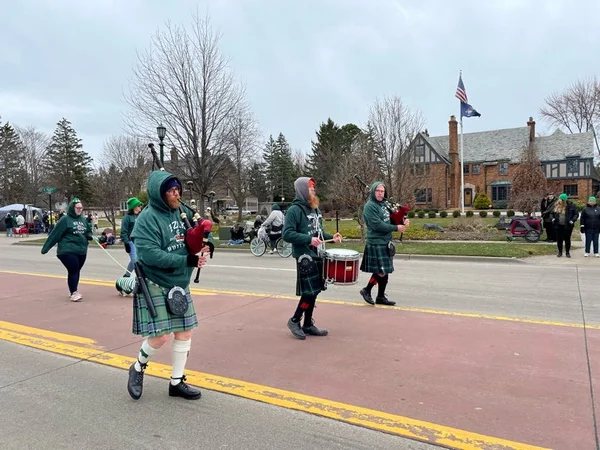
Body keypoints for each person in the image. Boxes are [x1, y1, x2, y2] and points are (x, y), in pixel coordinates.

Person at [127, 170, 208, 401]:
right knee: (161, 336)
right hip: (155, 280)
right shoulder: (146, 219)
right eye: (171, 191)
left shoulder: (182, 211)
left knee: (185, 332)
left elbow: (196, 232)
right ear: (159, 194)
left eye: (177, 190)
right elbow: (150, 255)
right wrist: (187, 260)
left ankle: (176, 382)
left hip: (180, 281)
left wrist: (206, 242)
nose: (176, 194)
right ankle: (138, 366)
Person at [282, 177, 342, 340]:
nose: (313, 190)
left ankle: (308, 324)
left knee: (315, 291)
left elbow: (319, 233)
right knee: (309, 292)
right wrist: (308, 240)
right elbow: (287, 234)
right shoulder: (294, 210)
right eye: (310, 188)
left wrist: (332, 237)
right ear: (302, 190)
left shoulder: (315, 208)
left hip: (317, 253)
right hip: (304, 256)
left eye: (314, 188)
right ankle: (295, 320)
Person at [359, 182, 409, 306]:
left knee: (385, 271)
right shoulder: (370, 206)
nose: (381, 193)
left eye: (382, 191)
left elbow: (392, 218)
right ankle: (367, 290)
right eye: (378, 191)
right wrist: (396, 228)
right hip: (376, 241)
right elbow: (377, 225)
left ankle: (380, 296)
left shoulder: (384, 204)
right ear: (373, 192)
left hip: (386, 241)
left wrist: (403, 220)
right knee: (381, 270)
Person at [41, 198, 92, 302]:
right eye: (77, 208)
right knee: (73, 269)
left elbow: (88, 232)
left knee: (76, 270)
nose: (79, 210)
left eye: (81, 208)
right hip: (67, 250)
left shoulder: (83, 220)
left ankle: (73, 291)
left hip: (81, 250)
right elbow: (55, 234)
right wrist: (45, 248)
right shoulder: (65, 220)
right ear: (72, 208)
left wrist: (90, 236)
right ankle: (74, 292)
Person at [120, 197, 143, 277]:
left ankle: (130, 274)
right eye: (139, 205)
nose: (140, 207)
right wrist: (126, 243)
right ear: (134, 207)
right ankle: (129, 275)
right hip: (131, 241)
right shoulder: (127, 218)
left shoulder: (141, 216)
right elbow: (123, 232)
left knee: (141, 260)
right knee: (134, 260)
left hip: (140, 241)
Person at [551, 193, 579, 258]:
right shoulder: (556, 205)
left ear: (564, 200)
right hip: (558, 225)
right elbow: (551, 213)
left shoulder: (571, 205)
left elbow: (576, 214)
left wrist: (573, 220)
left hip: (568, 225)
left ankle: (567, 252)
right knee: (559, 239)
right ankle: (560, 252)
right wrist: (552, 218)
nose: (559, 200)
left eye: (561, 199)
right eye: (559, 199)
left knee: (567, 239)